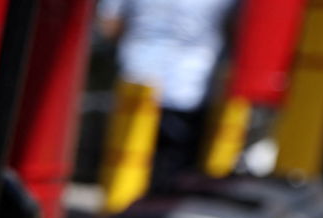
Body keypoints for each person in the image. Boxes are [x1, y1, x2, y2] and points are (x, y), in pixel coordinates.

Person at [98, 0, 239, 190]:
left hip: (138, 74)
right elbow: (235, 27)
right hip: (191, 82)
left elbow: (110, 25)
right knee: (178, 166)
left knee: (126, 163)